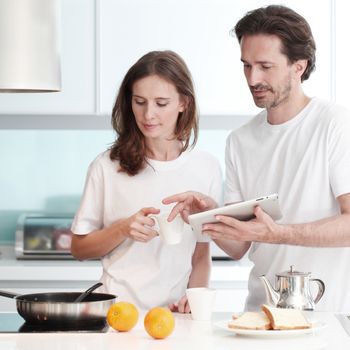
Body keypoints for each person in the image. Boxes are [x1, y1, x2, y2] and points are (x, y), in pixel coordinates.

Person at [163, 5, 350, 312]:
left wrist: (278, 234)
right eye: (246, 65)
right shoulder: (240, 141)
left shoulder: (335, 125)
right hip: (260, 317)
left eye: (265, 66)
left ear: (299, 66)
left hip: (327, 318)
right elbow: (239, 247)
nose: (253, 78)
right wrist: (212, 216)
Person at [70, 50, 222, 312]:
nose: (148, 114)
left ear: (184, 102)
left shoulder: (206, 167)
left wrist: (194, 299)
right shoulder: (106, 166)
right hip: (115, 315)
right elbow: (79, 248)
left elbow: (200, 255)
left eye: (161, 103)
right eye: (139, 102)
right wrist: (122, 229)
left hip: (173, 319)